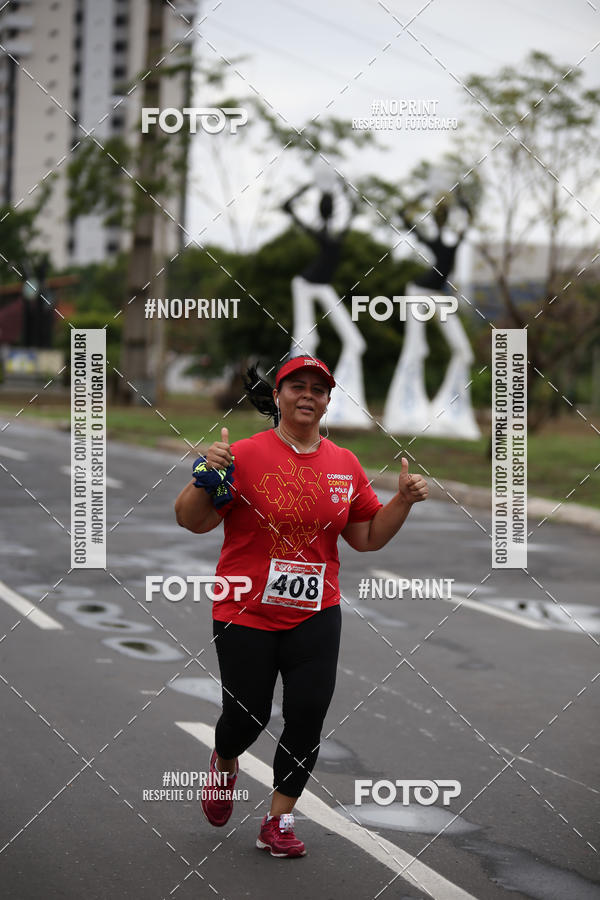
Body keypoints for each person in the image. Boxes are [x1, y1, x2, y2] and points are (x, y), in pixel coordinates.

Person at [174, 355, 428, 858]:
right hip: (243, 608)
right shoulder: (242, 455)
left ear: (328, 400)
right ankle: (225, 760)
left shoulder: (345, 464)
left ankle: (279, 821)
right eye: (297, 386)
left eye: (319, 388)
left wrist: (402, 501)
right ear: (278, 396)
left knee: (307, 715)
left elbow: (368, 537)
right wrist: (204, 473)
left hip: (315, 611)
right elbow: (192, 521)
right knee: (247, 718)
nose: (308, 395)